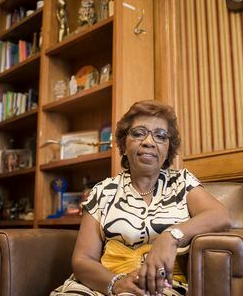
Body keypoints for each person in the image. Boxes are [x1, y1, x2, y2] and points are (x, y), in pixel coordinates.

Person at [50, 100, 231, 296]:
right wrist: (116, 283)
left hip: (159, 287)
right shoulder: (103, 190)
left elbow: (220, 216)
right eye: (138, 133)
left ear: (168, 149)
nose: (149, 141)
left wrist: (170, 236)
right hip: (103, 285)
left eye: (160, 136)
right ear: (124, 144)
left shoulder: (182, 182)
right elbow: (83, 259)